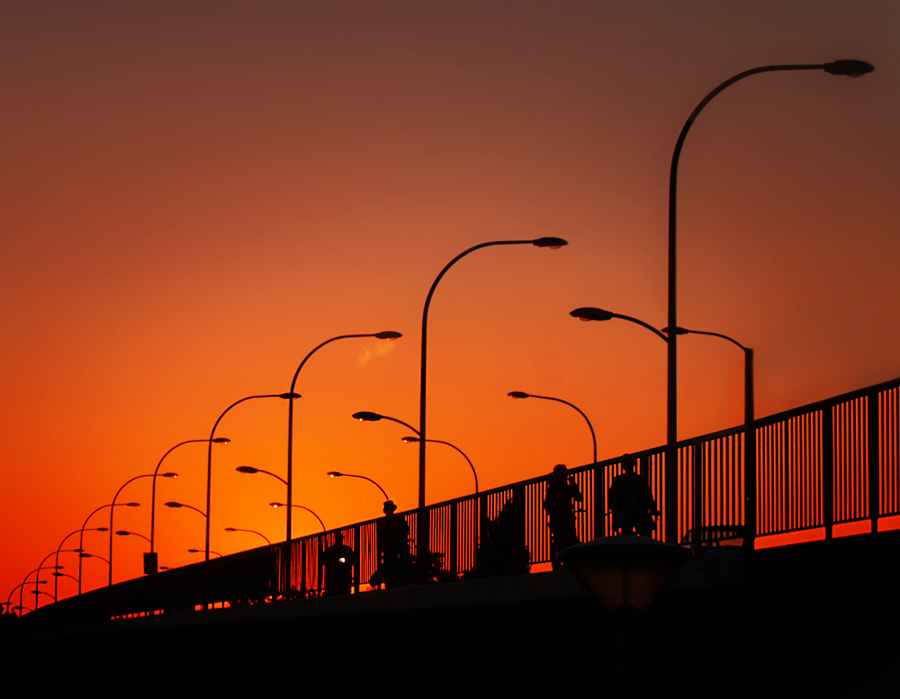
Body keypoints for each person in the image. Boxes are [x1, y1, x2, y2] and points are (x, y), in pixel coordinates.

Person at [607, 456, 659, 536]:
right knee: (640, 535)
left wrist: (652, 509)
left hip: (633, 512)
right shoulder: (637, 479)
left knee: (632, 534)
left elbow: (647, 496)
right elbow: (647, 496)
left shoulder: (620, 480)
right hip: (630, 512)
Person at [543, 464, 583, 569]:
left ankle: (560, 562)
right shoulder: (557, 489)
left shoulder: (556, 489)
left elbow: (579, 497)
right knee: (565, 541)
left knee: (563, 541)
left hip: (561, 519)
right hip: (561, 519)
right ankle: (561, 562)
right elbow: (579, 497)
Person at [370, 500, 412, 589]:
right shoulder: (383, 522)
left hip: (398, 543)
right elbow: (381, 534)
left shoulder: (398, 519)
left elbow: (404, 529)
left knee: (401, 556)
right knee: (389, 561)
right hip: (389, 546)